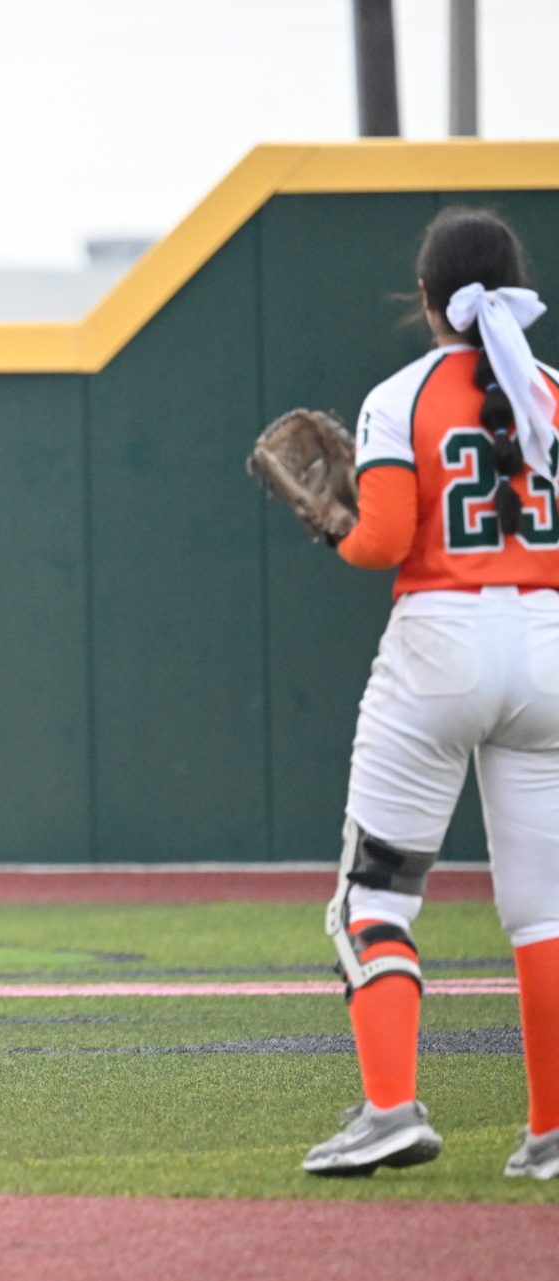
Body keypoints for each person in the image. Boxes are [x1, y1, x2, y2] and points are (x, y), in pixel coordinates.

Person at [302, 208, 559, 1182]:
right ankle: (550, 1130)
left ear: (425, 299)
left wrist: (335, 526)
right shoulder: (554, 394)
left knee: (374, 896)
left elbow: (381, 542)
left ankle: (390, 1110)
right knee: (545, 913)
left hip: (441, 646)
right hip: (549, 647)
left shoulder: (399, 396)